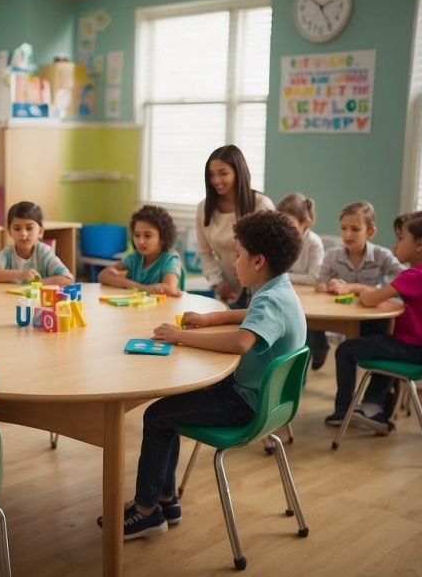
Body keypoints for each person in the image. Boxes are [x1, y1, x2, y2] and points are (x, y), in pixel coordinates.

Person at [107, 210, 304, 539]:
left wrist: (180, 336)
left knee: (157, 416)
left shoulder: (269, 299)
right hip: (268, 401)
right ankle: (165, 500)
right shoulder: (279, 289)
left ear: (258, 261)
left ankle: (146, 511)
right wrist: (211, 319)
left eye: (238, 254)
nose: (235, 261)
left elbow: (242, 342)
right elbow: (253, 314)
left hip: (246, 403)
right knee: (171, 403)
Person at [330, 211, 422, 434]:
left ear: (420, 244)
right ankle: (373, 406)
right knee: (380, 342)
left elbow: (369, 299)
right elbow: (383, 293)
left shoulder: (414, 275)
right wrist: (362, 289)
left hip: (414, 349)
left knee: (346, 350)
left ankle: (343, 411)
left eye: (400, 238)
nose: (395, 245)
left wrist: (354, 288)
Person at [314, 201, 404, 387]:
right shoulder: (332, 255)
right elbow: (320, 283)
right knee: (309, 325)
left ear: (370, 232)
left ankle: (376, 397)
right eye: (343, 228)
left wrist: (383, 288)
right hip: (339, 315)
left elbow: (405, 276)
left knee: (380, 342)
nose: (347, 234)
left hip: (370, 316)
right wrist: (329, 284)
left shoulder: (382, 255)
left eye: (355, 229)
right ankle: (320, 350)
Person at [195, 145, 275, 308]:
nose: (216, 180)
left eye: (223, 173)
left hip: (262, 291)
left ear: (238, 172)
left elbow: (274, 254)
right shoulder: (204, 208)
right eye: (211, 175)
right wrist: (218, 283)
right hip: (227, 292)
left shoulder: (261, 204)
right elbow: (205, 253)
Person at [0, 201, 74, 286]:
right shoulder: (8, 252)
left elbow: (67, 278)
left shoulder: (43, 252)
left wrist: (36, 284)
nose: (23, 234)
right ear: (9, 231)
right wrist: (21, 274)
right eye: (17, 229)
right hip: (11, 301)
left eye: (29, 228)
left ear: (40, 232)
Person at [98, 204, 181, 296]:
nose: (140, 241)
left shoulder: (170, 259)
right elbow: (103, 275)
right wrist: (144, 288)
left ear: (162, 237)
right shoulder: (136, 257)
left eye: (147, 236)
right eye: (137, 235)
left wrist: (121, 281)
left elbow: (170, 289)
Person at [276, 193, 324, 286]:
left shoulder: (314, 243)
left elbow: (314, 278)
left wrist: (281, 277)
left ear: (306, 222)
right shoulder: (280, 240)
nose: (283, 228)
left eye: (289, 222)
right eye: (280, 222)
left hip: (307, 294)